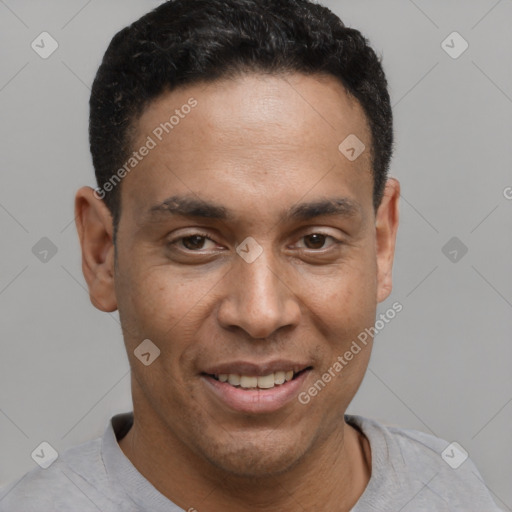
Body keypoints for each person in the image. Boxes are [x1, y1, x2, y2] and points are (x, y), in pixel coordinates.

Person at [0, 0, 502, 510]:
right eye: (194, 242)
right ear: (102, 253)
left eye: (315, 240)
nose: (261, 313)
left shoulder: (456, 492)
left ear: (382, 243)